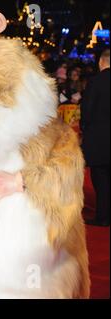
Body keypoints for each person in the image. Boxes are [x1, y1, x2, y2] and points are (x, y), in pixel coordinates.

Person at [81, 49, 110, 227]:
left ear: (101, 62)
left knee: (101, 180)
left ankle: (103, 217)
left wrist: (85, 128)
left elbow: (87, 110)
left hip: (99, 141)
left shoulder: (96, 82)